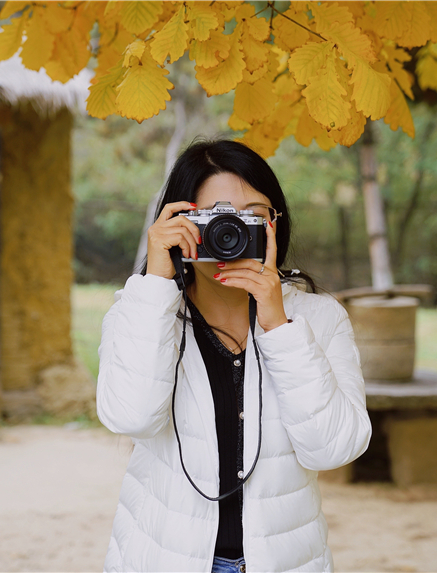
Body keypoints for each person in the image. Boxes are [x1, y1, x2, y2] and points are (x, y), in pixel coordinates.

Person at [96, 139, 371, 572]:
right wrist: (155, 285)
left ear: (276, 224)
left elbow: (333, 450)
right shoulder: (141, 314)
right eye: (219, 218)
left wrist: (279, 327)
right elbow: (131, 416)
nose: (234, 233)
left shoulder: (318, 319)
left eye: (254, 217)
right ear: (180, 223)